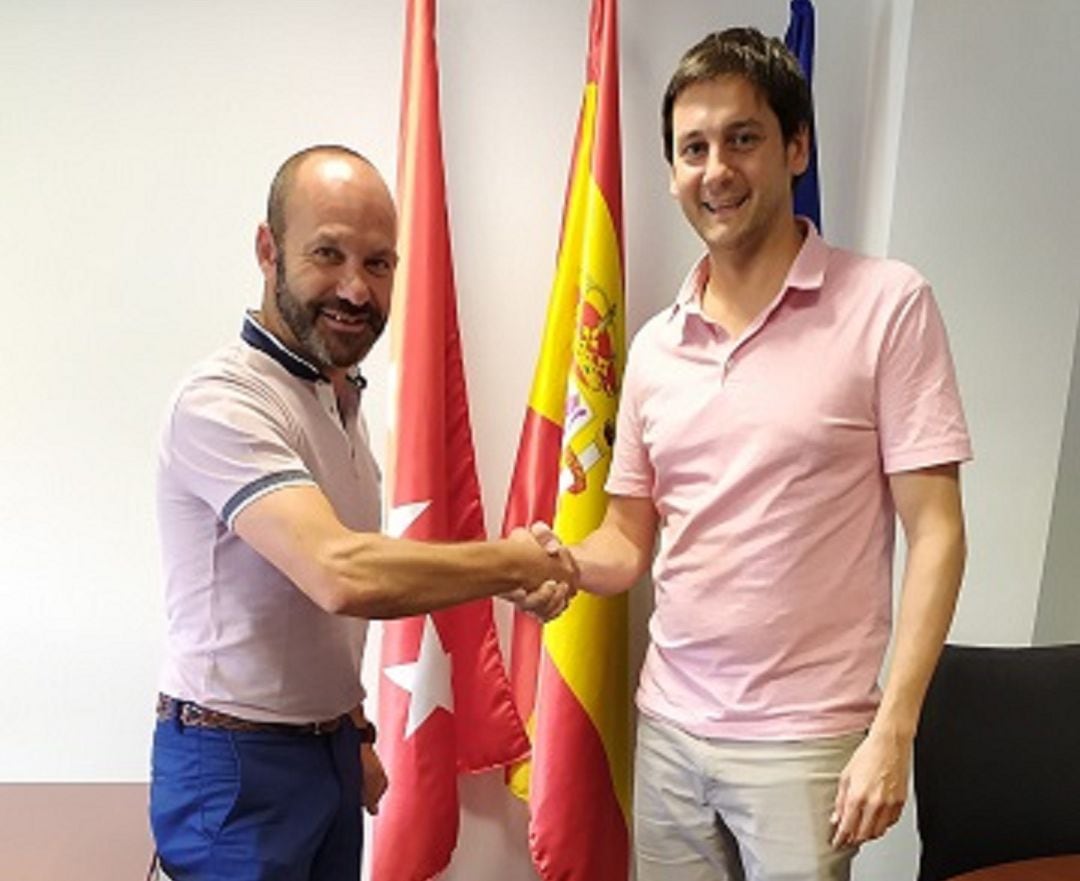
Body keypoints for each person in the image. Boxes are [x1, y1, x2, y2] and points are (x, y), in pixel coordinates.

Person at [534, 27, 971, 881]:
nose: (716, 170)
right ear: (670, 173)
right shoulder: (657, 347)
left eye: (742, 138)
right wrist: (560, 562)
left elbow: (940, 533)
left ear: (795, 146)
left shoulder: (887, 304)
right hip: (668, 734)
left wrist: (894, 729)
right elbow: (628, 542)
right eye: (692, 148)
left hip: (805, 745)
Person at [149, 144, 575, 881]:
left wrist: (349, 730)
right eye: (328, 254)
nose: (355, 288)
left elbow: (310, 613)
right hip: (234, 768)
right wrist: (518, 562)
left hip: (327, 752)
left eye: (378, 264)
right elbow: (339, 572)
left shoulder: (337, 399)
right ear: (267, 250)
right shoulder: (223, 400)